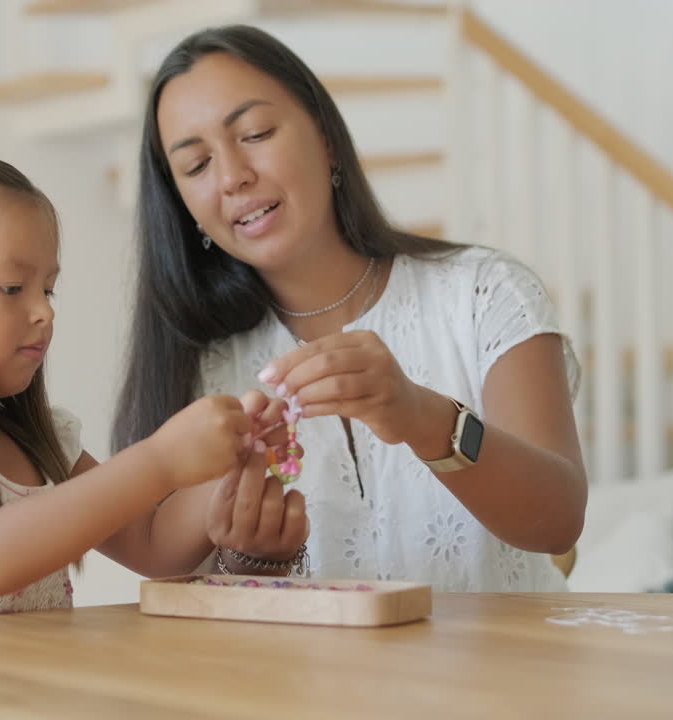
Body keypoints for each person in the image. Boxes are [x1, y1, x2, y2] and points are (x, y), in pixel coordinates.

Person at [114, 25, 588, 592]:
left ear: (326, 138)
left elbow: (558, 520)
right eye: (195, 167)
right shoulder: (195, 366)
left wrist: (419, 414)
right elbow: (181, 604)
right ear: (184, 207)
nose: (233, 176)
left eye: (256, 132)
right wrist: (252, 562)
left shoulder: (486, 293)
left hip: (509, 679)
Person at [0, 135, 299, 635]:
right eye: (12, 288)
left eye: (48, 289)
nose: (44, 311)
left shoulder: (41, 441)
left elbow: (156, 546)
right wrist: (161, 460)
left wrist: (230, 460)